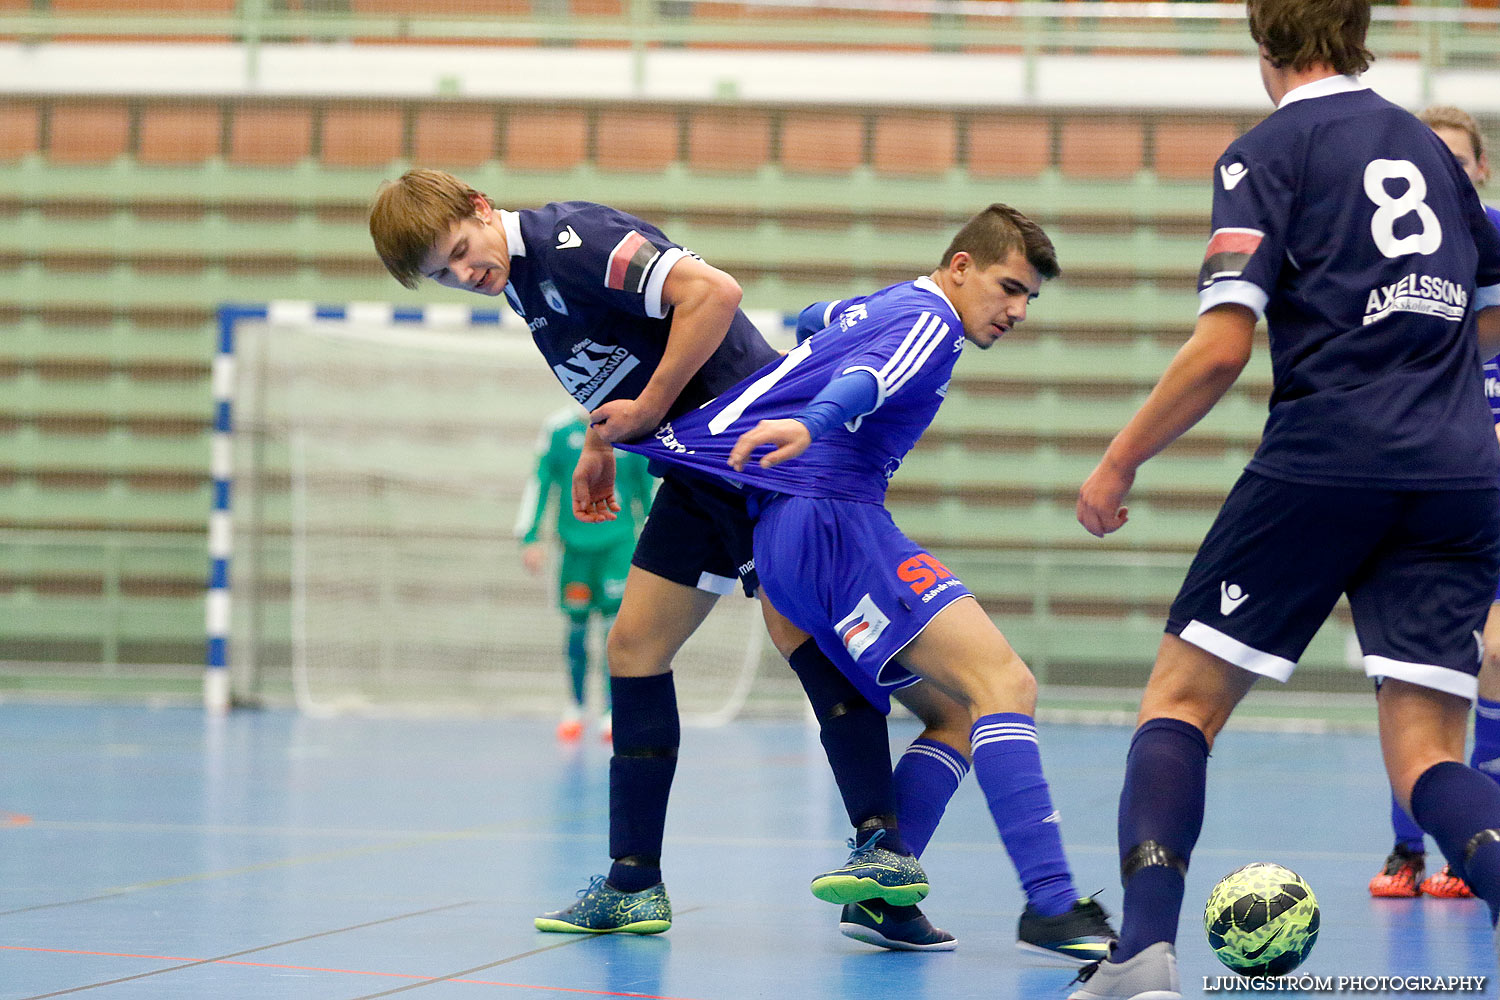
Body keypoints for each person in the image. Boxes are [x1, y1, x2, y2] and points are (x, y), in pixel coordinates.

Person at [368, 170, 946, 948]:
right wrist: (600, 441)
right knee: (634, 648)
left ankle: (885, 861)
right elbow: (618, 364)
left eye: (462, 254)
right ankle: (634, 882)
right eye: (444, 275)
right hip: (691, 466)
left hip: (751, 449)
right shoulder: (520, 281)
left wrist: (643, 409)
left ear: (479, 208)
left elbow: (714, 294)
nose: (465, 277)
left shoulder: (570, 242)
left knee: (800, 637)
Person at [1069, 1, 1500, 996]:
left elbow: (1223, 346)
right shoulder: (1432, 153)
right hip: (1456, 471)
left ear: (1264, 46)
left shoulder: (1265, 153)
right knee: (1429, 753)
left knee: (1180, 701)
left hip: (1328, 455)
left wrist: (1119, 461)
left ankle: (1140, 954)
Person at [617, 203, 1117, 964]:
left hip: (788, 539)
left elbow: (824, 319)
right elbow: (865, 377)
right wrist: (812, 422)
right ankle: (1050, 904)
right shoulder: (934, 321)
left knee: (951, 712)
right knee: (1005, 686)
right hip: (834, 520)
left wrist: (819, 357)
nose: (1017, 310)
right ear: (960, 268)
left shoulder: (885, 303)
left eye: (1029, 299)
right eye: (1009, 288)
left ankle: (884, 891)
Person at [1371, 104, 1500, 901]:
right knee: (1406, 677)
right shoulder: (1398, 277)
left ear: (1480, 170)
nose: (1449, 173)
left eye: (1461, 160)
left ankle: (1470, 844)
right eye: (1434, 160)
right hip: (1417, 505)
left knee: (1489, 660)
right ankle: (1406, 848)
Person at [515, 406, 654, 743]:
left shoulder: (630, 425)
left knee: (614, 633)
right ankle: (575, 706)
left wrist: (656, 537)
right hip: (574, 549)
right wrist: (530, 536)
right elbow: (541, 481)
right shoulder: (559, 430)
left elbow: (646, 488)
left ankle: (611, 711)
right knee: (577, 629)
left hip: (617, 547)